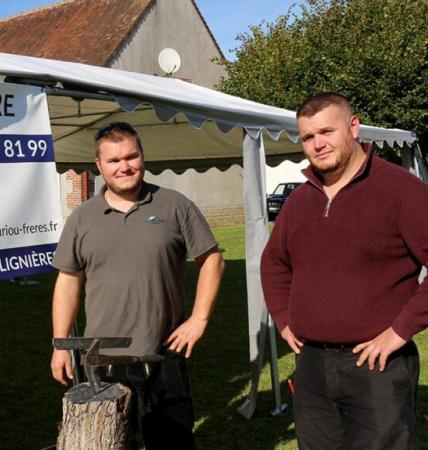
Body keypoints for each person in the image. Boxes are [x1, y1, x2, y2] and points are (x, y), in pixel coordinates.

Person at [261, 92, 428, 450]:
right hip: (312, 365)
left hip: (377, 365)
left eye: (327, 131)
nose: (318, 144)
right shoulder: (300, 200)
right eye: (308, 137)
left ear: (353, 127)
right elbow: (274, 261)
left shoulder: (400, 190)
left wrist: (400, 331)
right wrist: (285, 318)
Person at [50, 122, 225, 449]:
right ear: (98, 165)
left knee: (172, 443)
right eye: (114, 160)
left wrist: (199, 320)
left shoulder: (174, 205)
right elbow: (68, 281)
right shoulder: (82, 218)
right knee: (108, 444)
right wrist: (61, 345)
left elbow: (213, 260)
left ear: (143, 157)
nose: (124, 166)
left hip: (164, 353)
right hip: (103, 361)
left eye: (131, 156)